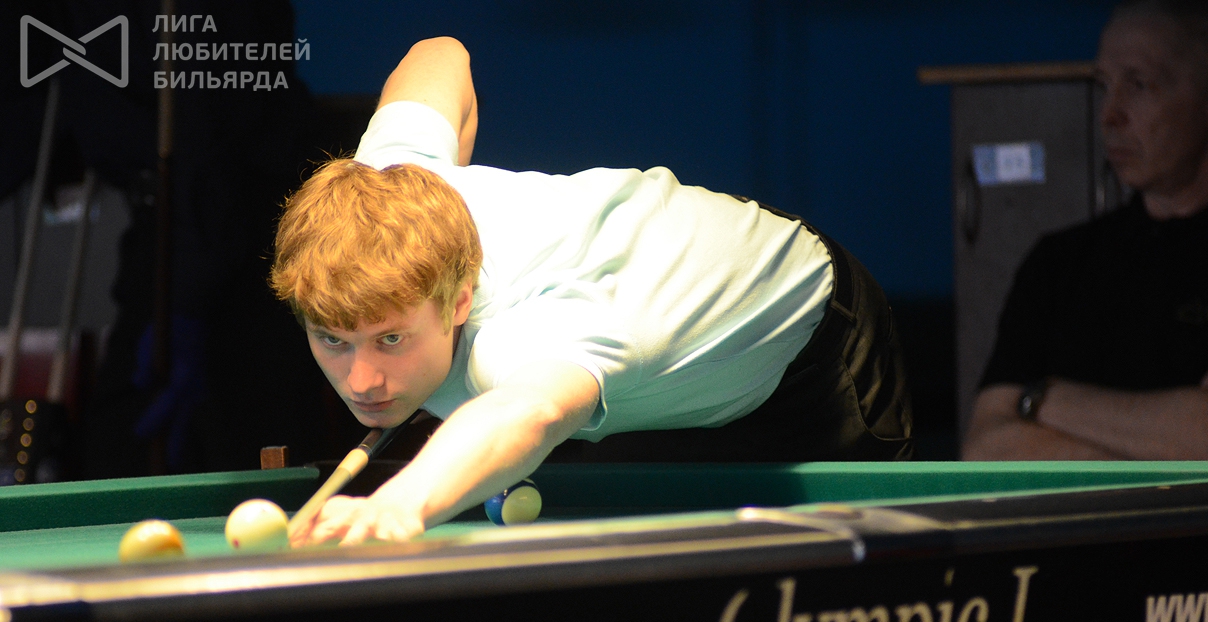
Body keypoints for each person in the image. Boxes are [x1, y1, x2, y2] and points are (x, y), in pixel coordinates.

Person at [271, 37, 912, 546]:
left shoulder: (525, 339)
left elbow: (528, 412)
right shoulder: (389, 188)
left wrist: (398, 507)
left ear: (460, 298)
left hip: (806, 352)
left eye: (390, 339)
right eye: (333, 340)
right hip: (645, 374)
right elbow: (439, 53)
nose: (361, 381)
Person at [963, 0, 1208, 461]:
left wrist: (1046, 399)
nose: (1110, 115)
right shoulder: (1058, 263)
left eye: (1139, 84)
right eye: (1104, 86)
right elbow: (986, 447)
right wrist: (1158, 449)